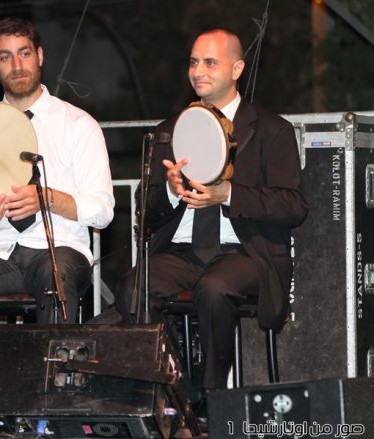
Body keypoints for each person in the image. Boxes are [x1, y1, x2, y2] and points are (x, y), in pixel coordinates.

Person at [115, 29, 307, 392]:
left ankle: (212, 394)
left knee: (215, 288)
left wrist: (229, 194)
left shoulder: (271, 130)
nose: (198, 71)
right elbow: (145, 212)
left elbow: (293, 205)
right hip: (181, 252)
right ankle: (177, 390)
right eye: (193, 62)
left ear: (236, 69)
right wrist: (171, 192)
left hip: (245, 252)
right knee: (133, 288)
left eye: (209, 62)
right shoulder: (169, 132)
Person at [0, 17, 115, 378]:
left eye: (24, 54)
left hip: (58, 249)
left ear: (40, 56)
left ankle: (50, 388)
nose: (17, 65)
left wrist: (47, 198)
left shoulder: (77, 124)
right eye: (6, 57)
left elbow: (103, 210)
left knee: (55, 273)